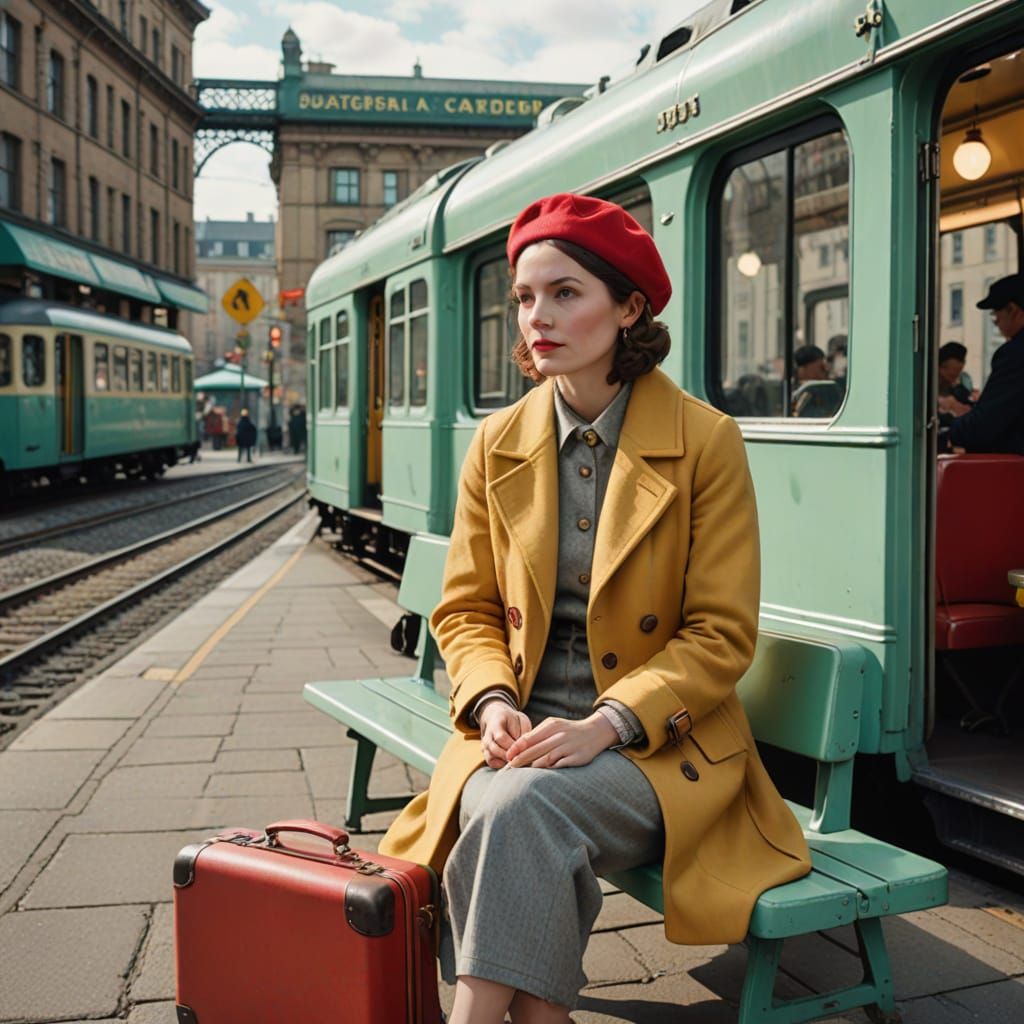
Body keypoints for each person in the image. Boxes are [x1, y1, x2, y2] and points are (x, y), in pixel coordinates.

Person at [378, 193, 810, 1024]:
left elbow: (721, 634)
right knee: (506, 807)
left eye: (565, 293)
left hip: (658, 749)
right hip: (520, 734)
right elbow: (465, 609)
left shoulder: (705, 441)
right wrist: (491, 701)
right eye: (525, 297)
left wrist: (607, 725)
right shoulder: (496, 442)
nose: (537, 317)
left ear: (629, 308)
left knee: (512, 809)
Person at [943, 274, 1024, 454]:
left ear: (1013, 310)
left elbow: (987, 423)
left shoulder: (1014, 354)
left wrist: (951, 431)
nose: (995, 322)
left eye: (995, 314)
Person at [791, 344, 841, 417]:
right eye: (821, 367)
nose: (826, 369)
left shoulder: (827, 388)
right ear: (804, 368)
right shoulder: (803, 389)